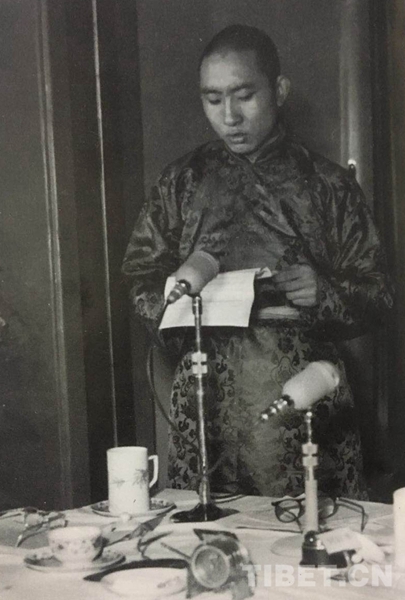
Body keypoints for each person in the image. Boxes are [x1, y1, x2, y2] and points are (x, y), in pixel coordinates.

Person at [122, 25, 393, 500]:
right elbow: (140, 278)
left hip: (304, 395)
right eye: (213, 99)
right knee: (201, 532)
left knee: (310, 527)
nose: (229, 116)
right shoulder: (181, 182)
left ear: (279, 90)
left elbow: (379, 295)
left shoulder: (329, 185)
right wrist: (174, 301)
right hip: (205, 397)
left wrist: (325, 292)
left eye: (244, 96)